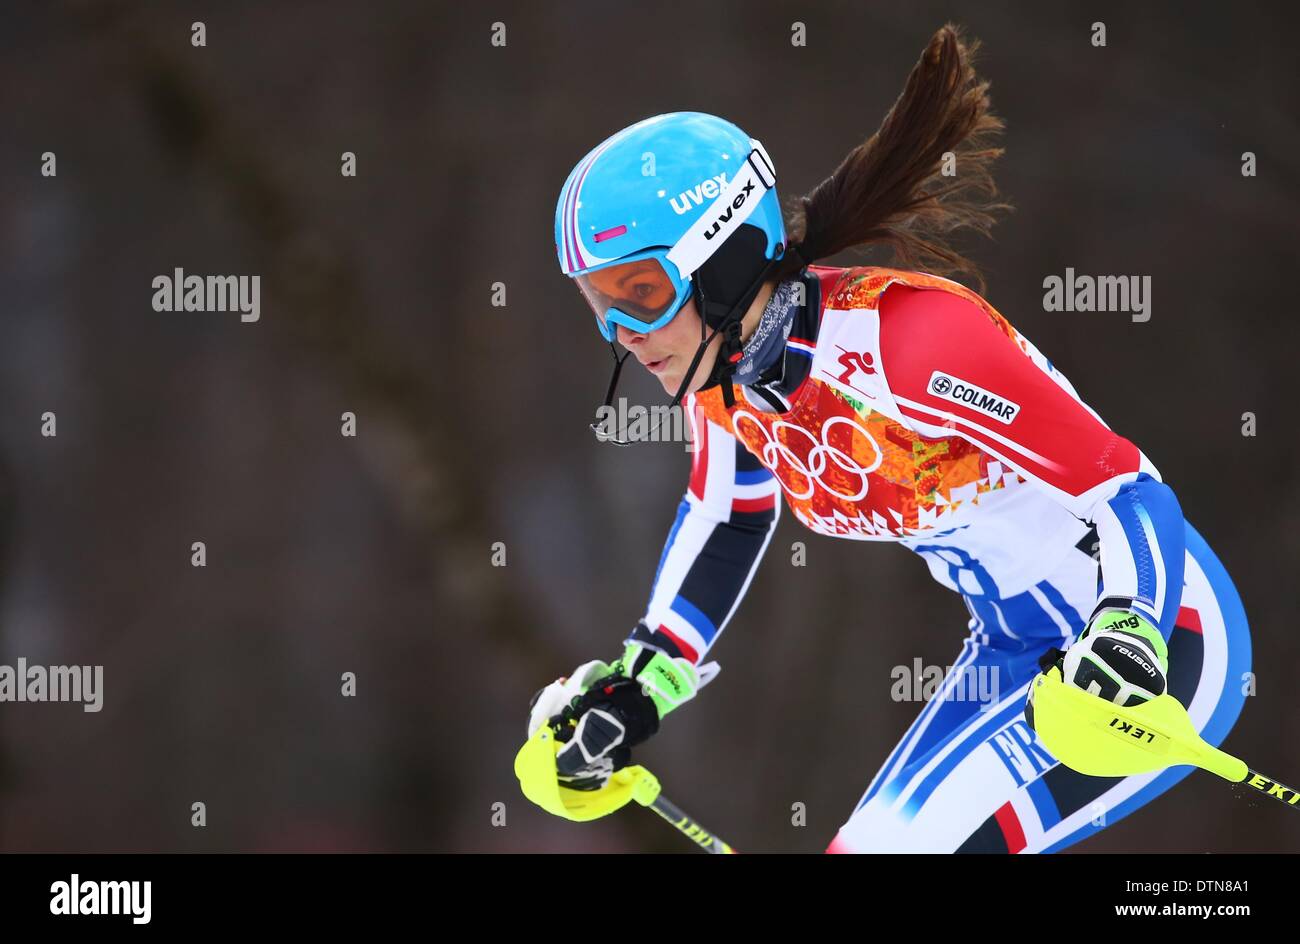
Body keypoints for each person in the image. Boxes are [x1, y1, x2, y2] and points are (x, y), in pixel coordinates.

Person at [529, 25, 1251, 852]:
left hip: (1158, 637)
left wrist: (1130, 631)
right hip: (1013, 649)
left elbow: (1126, 489)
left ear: (722, 259)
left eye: (642, 293)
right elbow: (729, 518)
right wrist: (639, 685)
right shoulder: (723, 379)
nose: (623, 331)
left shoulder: (908, 344)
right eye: (598, 303)